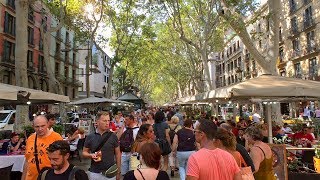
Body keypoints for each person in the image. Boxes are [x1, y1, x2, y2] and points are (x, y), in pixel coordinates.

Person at [82, 111, 121, 180]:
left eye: (108, 120)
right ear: (97, 121)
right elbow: (84, 152)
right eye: (104, 121)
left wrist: (118, 172)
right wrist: (91, 155)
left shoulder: (113, 136)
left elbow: (118, 154)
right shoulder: (90, 136)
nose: (107, 123)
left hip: (110, 172)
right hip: (95, 173)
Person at [22, 115, 63, 180]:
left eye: (42, 126)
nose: (40, 129)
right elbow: (27, 161)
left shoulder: (56, 137)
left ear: (47, 124)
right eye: (37, 126)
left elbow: (63, 160)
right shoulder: (30, 139)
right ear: (33, 127)